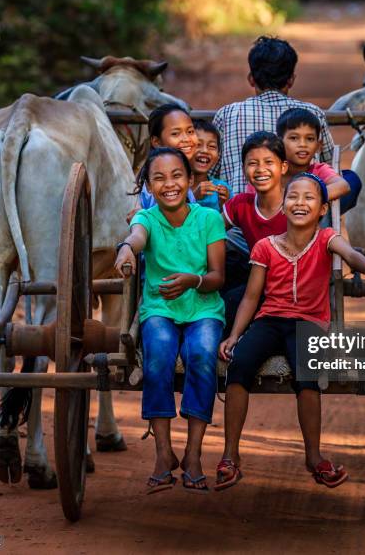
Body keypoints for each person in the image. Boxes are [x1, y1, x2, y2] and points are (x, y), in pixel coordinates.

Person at [215, 173, 365, 491]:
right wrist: (235, 335)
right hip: (269, 320)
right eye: (293, 197)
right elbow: (251, 297)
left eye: (309, 198)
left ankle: (314, 457)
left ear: (321, 209)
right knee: (240, 365)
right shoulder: (265, 247)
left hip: (308, 323)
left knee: (307, 374)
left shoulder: (326, 238)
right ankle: (230, 456)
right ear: (283, 206)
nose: (299, 203)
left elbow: (353, 256)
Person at [115, 148, 226, 493]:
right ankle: (163, 453)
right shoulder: (146, 219)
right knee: (159, 353)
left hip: (204, 307)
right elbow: (136, 237)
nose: (169, 184)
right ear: (148, 186)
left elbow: (218, 276)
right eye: (159, 178)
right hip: (159, 310)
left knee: (202, 355)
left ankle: (193, 454)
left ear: (190, 181)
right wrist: (126, 249)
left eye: (177, 176)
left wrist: (193, 281)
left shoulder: (209, 219)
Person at [213, 36, 336, 195]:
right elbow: (329, 163)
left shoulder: (227, 114)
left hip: (237, 213)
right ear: (291, 80)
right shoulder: (313, 113)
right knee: (350, 178)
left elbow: (211, 172)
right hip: (303, 210)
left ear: (251, 79)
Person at [220, 131, 288, 333]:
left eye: (269, 162)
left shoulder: (295, 204)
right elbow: (210, 232)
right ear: (243, 169)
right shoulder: (241, 205)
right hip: (257, 285)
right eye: (252, 163)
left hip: (291, 292)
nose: (261, 170)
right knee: (224, 307)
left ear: (283, 167)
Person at [244, 107, 362, 213]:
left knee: (352, 178)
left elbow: (343, 185)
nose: (302, 144)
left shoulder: (318, 170)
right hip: (268, 231)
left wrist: (306, 199)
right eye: (294, 138)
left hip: (309, 232)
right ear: (279, 143)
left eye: (310, 139)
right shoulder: (269, 173)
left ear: (318, 146)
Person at [138, 104, 198, 210]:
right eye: (175, 134)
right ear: (157, 142)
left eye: (190, 131)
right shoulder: (159, 181)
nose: (186, 139)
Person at [190, 119, 233, 212]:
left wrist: (224, 205)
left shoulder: (223, 188)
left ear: (218, 156)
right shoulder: (177, 186)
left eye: (212, 146)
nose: (205, 150)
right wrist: (193, 197)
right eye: (198, 144)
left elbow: (229, 223)